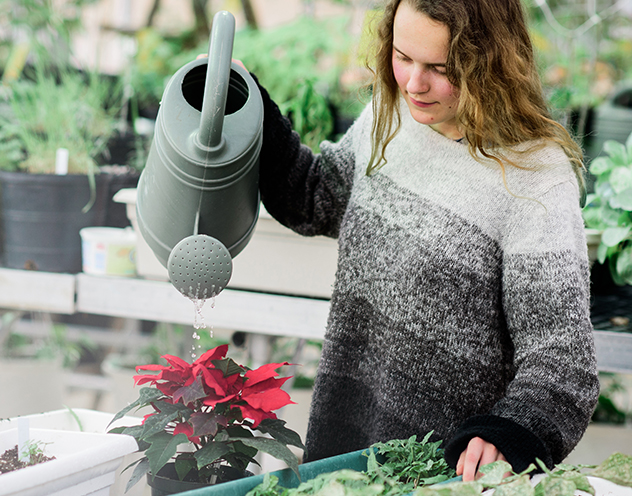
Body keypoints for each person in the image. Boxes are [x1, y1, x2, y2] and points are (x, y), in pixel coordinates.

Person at [251, 0, 600, 482]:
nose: (414, 83)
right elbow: (317, 199)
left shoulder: (534, 176)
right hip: (341, 457)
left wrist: (506, 435)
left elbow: (562, 363)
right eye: (402, 56)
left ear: (490, 61)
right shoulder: (391, 114)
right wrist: (252, 109)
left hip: (442, 475)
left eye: (441, 68)